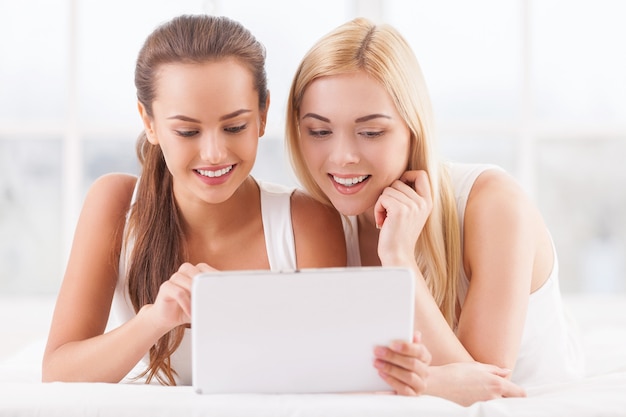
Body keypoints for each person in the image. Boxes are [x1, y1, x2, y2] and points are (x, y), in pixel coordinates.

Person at [285, 17, 585, 404]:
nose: (342, 157)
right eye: (320, 131)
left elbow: (482, 392)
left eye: (371, 132)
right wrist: (427, 383)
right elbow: (313, 370)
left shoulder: (493, 205)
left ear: (414, 129)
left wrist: (398, 257)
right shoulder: (315, 224)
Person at [42, 14, 349, 386]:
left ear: (263, 115)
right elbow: (59, 371)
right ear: (149, 122)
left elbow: (330, 375)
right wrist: (154, 320)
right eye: (187, 131)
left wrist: (238, 314)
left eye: (235, 126)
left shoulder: (306, 222)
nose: (215, 153)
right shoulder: (117, 204)